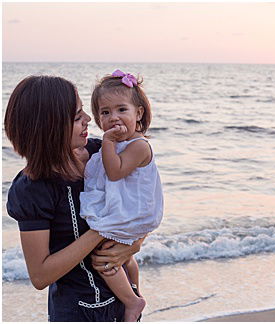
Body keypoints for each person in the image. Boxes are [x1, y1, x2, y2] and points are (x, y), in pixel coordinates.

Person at [4, 75, 143, 321]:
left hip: (125, 303)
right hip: (76, 312)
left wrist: (135, 244)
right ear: (51, 128)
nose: (89, 119)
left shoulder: (102, 153)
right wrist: (100, 230)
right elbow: (40, 276)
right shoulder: (31, 189)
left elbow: (142, 201)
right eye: (78, 116)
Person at [80, 70, 164, 321]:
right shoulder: (118, 144)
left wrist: (106, 142)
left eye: (121, 110)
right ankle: (134, 287)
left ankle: (131, 301)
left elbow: (115, 173)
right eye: (105, 113)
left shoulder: (138, 146)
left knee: (103, 258)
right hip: (126, 209)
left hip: (133, 213)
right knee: (122, 254)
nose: (113, 118)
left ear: (138, 113)